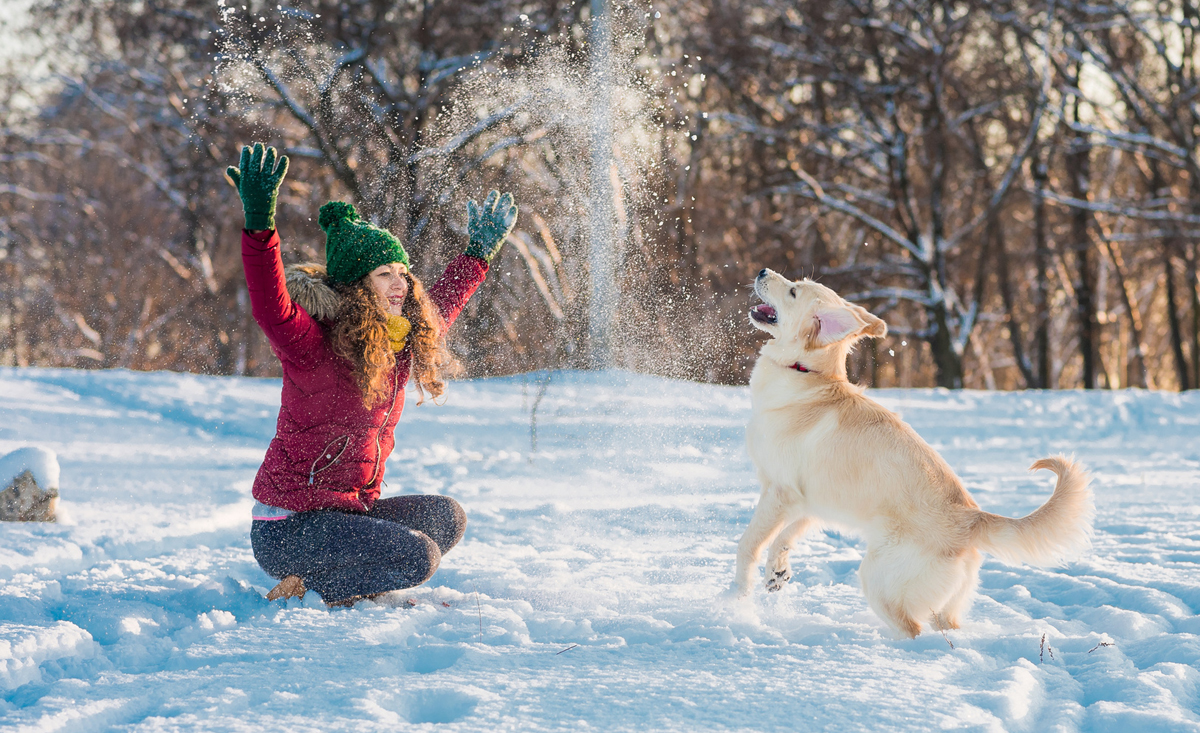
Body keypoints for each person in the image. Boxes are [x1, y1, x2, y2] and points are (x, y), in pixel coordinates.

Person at [225, 143, 517, 605]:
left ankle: (338, 578)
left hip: (345, 513)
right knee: (417, 558)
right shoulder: (312, 344)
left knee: (446, 518)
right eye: (385, 273)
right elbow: (270, 305)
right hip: (289, 527)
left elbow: (440, 308)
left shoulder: (397, 340)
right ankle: (309, 589)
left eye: (402, 271)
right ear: (359, 285)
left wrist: (476, 256)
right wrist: (261, 226)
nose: (400, 282)